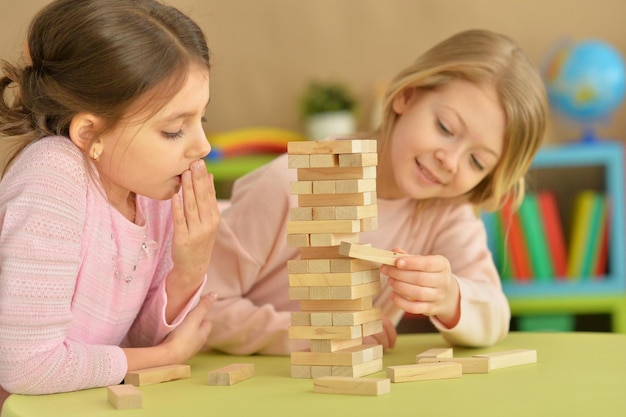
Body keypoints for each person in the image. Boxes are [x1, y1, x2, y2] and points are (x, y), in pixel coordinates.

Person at [204, 29, 547, 355]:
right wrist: (315, 332)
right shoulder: (291, 183)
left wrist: (449, 296)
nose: (451, 161)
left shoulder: (445, 212)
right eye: (445, 127)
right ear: (406, 97)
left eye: (476, 161)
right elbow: (205, 307)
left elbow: (494, 314)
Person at [0, 0, 220, 400]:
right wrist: (167, 355)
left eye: (200, 120)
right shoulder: (53, 178)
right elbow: (27, 369)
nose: (202, 146)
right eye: (174, 130)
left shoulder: (149, 184)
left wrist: (190, 268)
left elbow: (132, 337)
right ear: (89, 134)